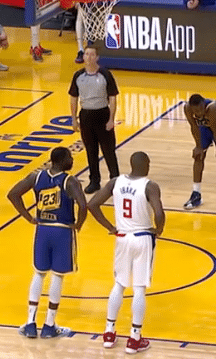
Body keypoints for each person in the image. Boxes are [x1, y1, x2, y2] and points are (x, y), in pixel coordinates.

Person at [87, 151, 165, 354]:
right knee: (139, 288)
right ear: (146, 165)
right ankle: (134, 338)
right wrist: (159, 229)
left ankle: (109, 333)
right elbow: (158, 213)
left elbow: (92, 204)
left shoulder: (116, 182)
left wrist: (110, 227)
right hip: (142, 237)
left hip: (122, 237)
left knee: (119, 284)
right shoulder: (150, 186)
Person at [7, 147, 87, 338]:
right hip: (62, 231)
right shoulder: (70, 181)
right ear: (62, 160)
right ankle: (49, 325)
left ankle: (30, 323)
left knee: (39, 273)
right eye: (70, 157)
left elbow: (13, 194)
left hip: (42, 229)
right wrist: (79, 224)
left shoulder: (36, 177)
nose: (72, 160)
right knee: (57, 276)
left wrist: (28, 217)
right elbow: (83, 205)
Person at [69, 45, 121, 194]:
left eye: (92, 55)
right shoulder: (78, 76)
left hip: (102, 114)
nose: (89, 57)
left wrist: (111, 119)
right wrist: (74, 119)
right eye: (86, 54)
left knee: (108, 151)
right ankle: (94, 181)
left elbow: (112, 97)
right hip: (86, 115)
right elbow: (73, 98)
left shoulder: (105, 74)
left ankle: (115, 180)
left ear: (97, 57)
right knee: (91, 151)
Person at [183, 94, 216, 214]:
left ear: (203, 105)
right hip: (205, 125)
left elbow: (215, 131)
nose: (199, 113)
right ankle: (196, 194)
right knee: (198, 156)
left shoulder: (212, 108)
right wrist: (198, 146)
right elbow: (193, 126)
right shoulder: (187, 108)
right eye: (196, 111)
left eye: (201, 109)